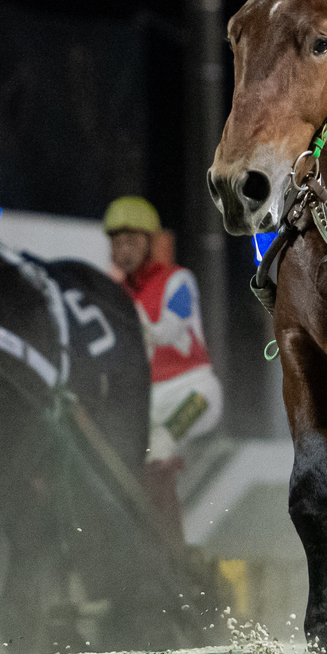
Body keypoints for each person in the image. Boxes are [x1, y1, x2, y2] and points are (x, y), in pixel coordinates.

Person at [104, 195, 223, 543]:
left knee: (160, 446)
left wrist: (130, 316)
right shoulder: (114, 294)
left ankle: (173, 551)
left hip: (195, 392)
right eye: (117, 242)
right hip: (148, 404)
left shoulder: (178, 280)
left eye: (132, 241)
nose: (123, 250)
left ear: (150, 244)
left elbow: (170, 329)